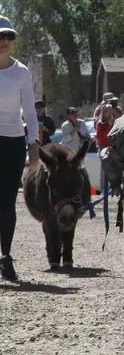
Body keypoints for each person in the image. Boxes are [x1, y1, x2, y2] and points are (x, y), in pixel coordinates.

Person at [0, 15, 40, 281]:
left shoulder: (21, 72)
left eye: (8, 37)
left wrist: (34, 143)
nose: (4, 41)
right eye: (0, 37)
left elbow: (31, 111)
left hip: (13, 141)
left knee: (6, 202)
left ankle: (6, 257)